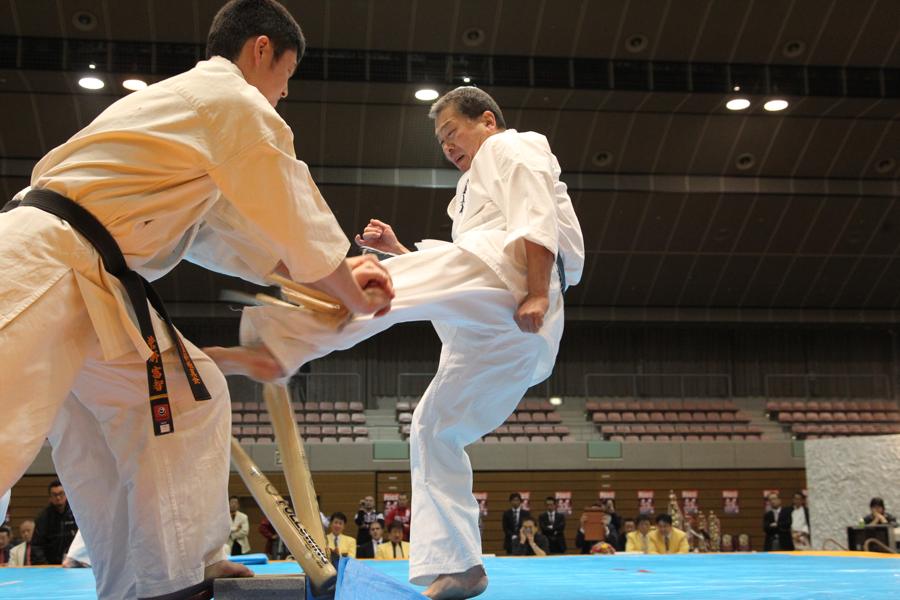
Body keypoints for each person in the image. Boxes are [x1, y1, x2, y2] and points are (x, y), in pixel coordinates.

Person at [0, 0, 393, 597]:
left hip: (93, 282)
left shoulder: (190, 125)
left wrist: (334, 274)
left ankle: (169, 574)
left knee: (190, 395)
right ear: (261, 49)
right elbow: (291, 211)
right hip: (39, 265)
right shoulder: (226, 100)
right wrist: (344, 281)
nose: (283, 94)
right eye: (286, 76)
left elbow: (235, 235)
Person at [208, 85, 584, 598]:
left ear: (488, 121)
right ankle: (461, 566)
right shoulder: (469, 192)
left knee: (380, 290)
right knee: (434, 426)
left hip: (520, 284)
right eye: (441, 141)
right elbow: (455, 278)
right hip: (509, 328)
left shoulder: (511, 146)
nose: (448, 147)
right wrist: (398, 252)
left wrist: (537, 292)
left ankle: (279, 346)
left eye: (453, 132)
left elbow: (533, 216)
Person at [31, 480, 78, 565]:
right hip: (49, 565)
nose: (58, 497)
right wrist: (45, 566)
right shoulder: (43, 518)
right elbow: (36, 546)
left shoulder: (76, 515)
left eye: (61, 493)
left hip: (73, 563)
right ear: (50, 497)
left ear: (66, 494)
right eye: (55, 495)